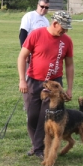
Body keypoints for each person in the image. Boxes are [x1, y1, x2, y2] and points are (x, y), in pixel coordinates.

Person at [18, 11, 74, 157]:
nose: (65, 31)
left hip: (54, 84)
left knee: (46, 116)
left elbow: (69, 65)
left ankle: (40, 149)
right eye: (63, 28)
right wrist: (22, 80)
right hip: (33, 81)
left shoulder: (66, 41)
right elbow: (22, 57)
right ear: (55, 24)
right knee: (32, 116)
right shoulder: (36, 34)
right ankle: (36, 145)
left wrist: (69, 88)